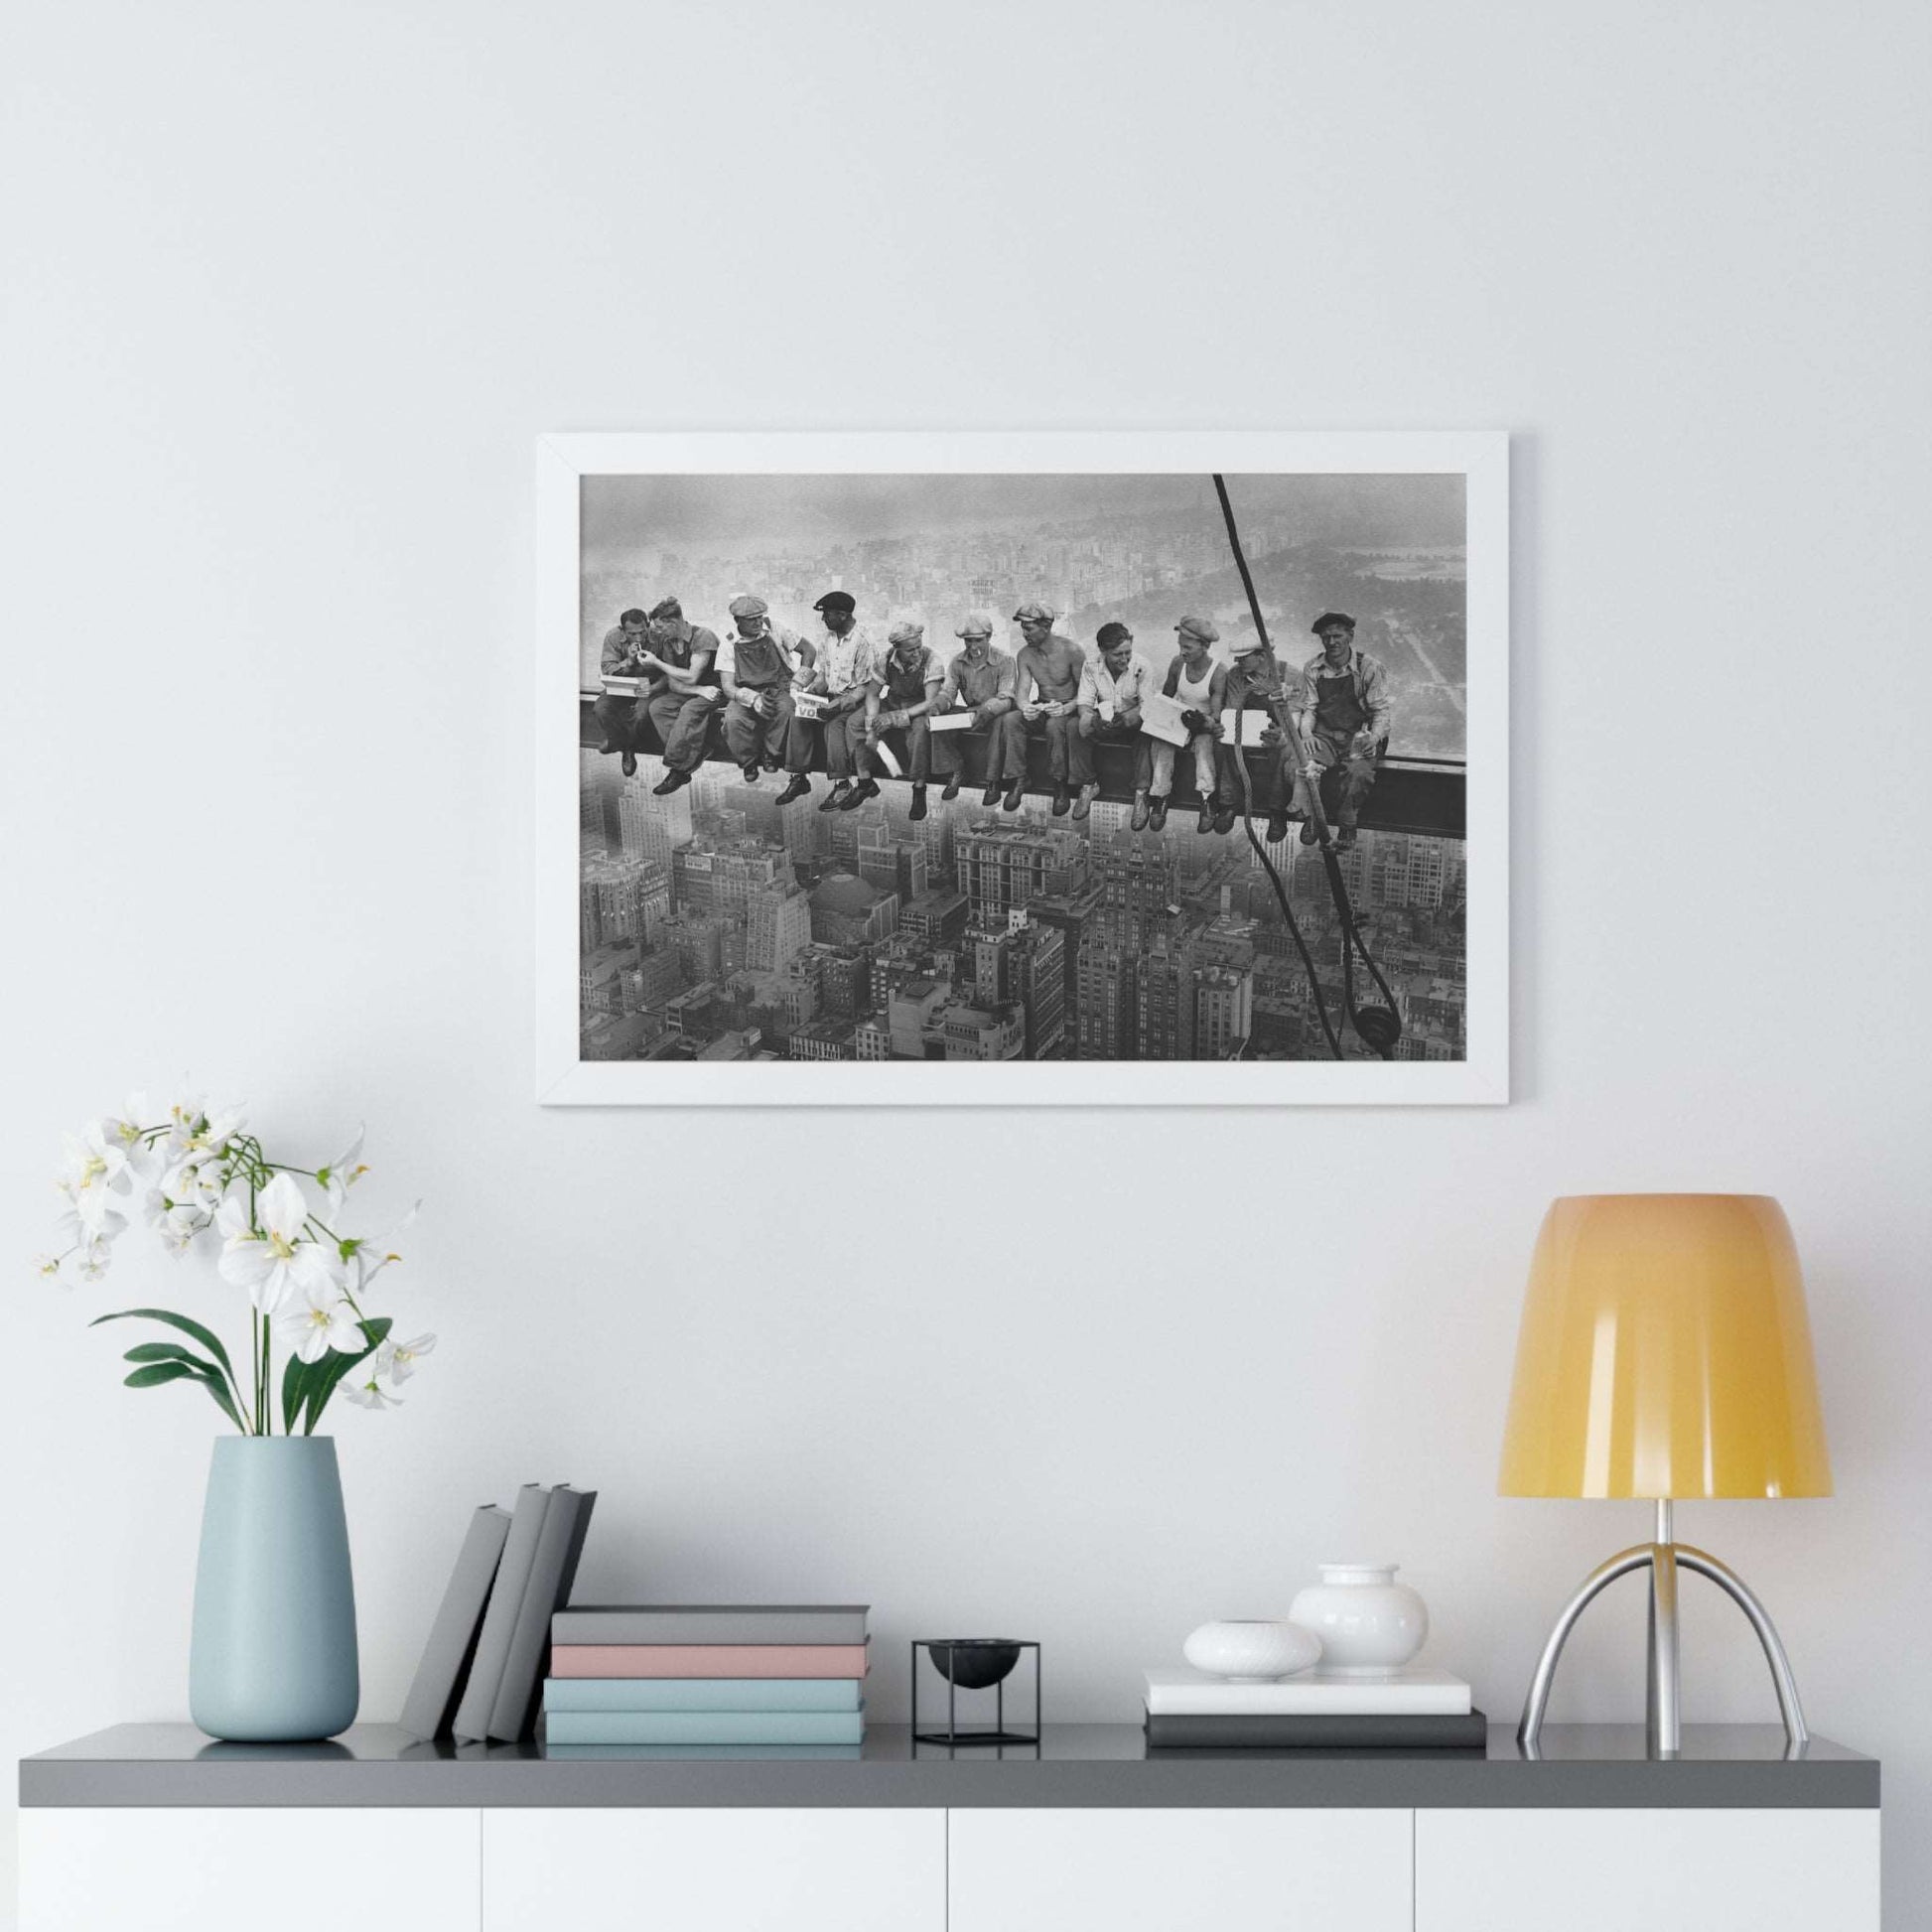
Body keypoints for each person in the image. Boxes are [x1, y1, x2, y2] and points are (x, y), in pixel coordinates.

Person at [1291, 612, 1392, 849]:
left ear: (1350, 636)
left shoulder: (1369, 667)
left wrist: (1374, 738)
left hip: (1359, 735)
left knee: (1359, 773)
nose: (1332, 642)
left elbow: (1380, 711)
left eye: (1337, 636)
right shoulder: (1313, 668)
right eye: (1326, 637)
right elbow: (1310, 708)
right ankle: (1313, 816)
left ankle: (1347, 824)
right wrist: (1306, 735)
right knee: (1307, 765)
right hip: (1325, 734)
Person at [717, 594, 812, 797]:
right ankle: (748, 762)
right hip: (745, 691)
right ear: (738, 621)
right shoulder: (728, 643)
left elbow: (809, 650)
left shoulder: (775, 628)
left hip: (778, 688)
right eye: (751, 619)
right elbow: (727, 686)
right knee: (733, 720)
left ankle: (771, 754)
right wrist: (753, 699)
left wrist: (799, 681)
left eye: (760, 617)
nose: (758, 622)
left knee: (786, 710)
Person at [627, 597, 723, 795]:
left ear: (673, 622)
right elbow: (673, 682)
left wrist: (657, 663)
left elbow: (691, 676)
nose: (658, 632)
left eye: (661, 627)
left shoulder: (703, 637)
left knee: (689, 710)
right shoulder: (670, 642)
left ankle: (678, 770)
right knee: (659, 707)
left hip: (716, 691)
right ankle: (697, 751)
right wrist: (698, 690)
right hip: (696, 691)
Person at [932, 615, 1026, 812]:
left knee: (1001, 725)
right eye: (969, 640)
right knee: (937, 723)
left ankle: (992, 781)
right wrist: (938, 706)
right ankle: (956, 769)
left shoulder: (1005, 661)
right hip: (971, 712)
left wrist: (988, 709)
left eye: (978, 640)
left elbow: (1007, 696)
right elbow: (949, 691)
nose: (973, 645)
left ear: (989, 637)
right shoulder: (958, 662)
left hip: (996, 712)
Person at [1214, 628, 1299, 842]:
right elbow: (1233, 709)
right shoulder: (1236, 675)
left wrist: (1281, 733)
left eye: (1243, 658)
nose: (1237, 661)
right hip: (1247, 729)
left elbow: (1296, 716)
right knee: (1227, 743)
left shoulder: (1291, 675)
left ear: (1262, 656)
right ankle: (1228, 803)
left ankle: (1276, 811)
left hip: (1278, 732)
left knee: (1283, 751)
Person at [800, 590, 880, 813]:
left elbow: (866, 686)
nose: (824, 619)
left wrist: (839, 704)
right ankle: (843, 783)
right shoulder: (828, 639)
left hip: (860, 700)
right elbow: (824, 675)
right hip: (835, 698)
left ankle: (849, 783)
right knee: (821, 723)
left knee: (837, 726)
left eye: (827, 614)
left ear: (843, 615)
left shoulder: (863, 641)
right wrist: (810, 693)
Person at [1151, 616, 1228, 833]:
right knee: (1163, 743)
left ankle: (1207, 798)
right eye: (1180, 646)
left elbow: (1217, 713)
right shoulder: (1178, 664)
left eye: (1188, 648)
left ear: (1204, 647)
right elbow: (1166, 696)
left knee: (1204, 746)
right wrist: (1161, 718)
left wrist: (1203, 722)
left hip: (1202, 725)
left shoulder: (1218, 673)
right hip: (1180, 719)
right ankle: (1161, 795)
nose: (1182, 652)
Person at [1074, 621, 1157, 826]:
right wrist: (1093, 719)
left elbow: (1148, 706)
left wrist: (1129, 718)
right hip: (1106, 720)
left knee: (1146, 733)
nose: (1124, 659)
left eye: (1127, 652)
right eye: (1117, 654)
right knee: (1075, 727)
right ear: (1103, 651)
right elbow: (1084, 702)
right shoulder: (1091, 666)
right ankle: (1088, 784)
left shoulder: (1142, 666)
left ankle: (1141, 793)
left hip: (1133, 721)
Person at [1011, 602, 1088, 817]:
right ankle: (1018, 777)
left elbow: (1086, 693)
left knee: (1055, 726)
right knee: (1012, 720)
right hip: (1043, 704)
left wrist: (1066, 708)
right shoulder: (1025, 655)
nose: (1023, 633)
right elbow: (1022, 692)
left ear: (1045, 627)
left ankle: (1059, 784)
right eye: (1023, 627)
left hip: (1068, 708)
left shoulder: (1072, 651)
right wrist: (1026, 708)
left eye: (1028, 628)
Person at [863, 621, 944, 819]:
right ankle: (864, 779)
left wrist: (894, 718)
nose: (916, 653)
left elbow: (930, 701)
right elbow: (872, 694)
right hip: (894, 701)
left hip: (918, 707)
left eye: (918, 647)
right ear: (896, 649)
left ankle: (919, 787)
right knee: (859, 724)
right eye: (910, 650)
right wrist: (872, 725)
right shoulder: (885, 659)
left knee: (919, 732)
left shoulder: (932, 660)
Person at [593, 607, 653, 778]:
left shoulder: (658, 636)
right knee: (601, 709)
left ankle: (625, 746)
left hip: (648, 686)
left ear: (648, 626)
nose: (639, 638)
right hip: (621, 685)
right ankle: (622, 744)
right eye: (632, 634)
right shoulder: (613, 637)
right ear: (623, 631)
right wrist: (628, 662)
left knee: (641, 715)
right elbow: (607, 669)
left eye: (642, 632)